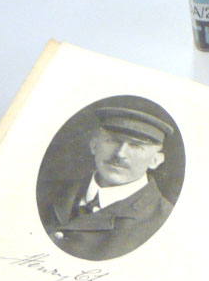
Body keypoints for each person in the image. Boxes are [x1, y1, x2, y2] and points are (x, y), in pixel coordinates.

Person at [37, 106, 175, 260]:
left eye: (136, 146)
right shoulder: (46, 192)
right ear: (94, 145)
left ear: (155, 160)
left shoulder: (165, 221)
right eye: (113, 141)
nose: (120, 154)